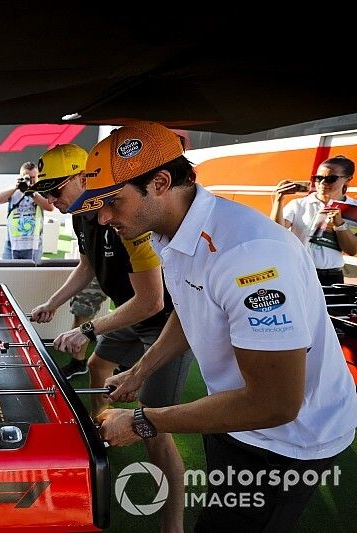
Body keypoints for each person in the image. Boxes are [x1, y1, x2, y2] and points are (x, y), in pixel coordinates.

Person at [77, 121, 357, 532]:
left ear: (160, 183)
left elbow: (275, 403)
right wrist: (139, 371)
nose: (103, 217)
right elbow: (192, 307)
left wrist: (142, 421)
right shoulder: (170, 232)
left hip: (286, 441)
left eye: (114, 202)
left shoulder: (249, 255)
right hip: (235, 415)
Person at [28, 143, 191, 532]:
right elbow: (87, 266)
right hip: (130, 313)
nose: (51, 199)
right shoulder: (81, 217)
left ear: (84, 179)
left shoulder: (125, 218)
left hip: (168, 323)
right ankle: (101, 435)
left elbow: (151, 302)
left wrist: (86, 328)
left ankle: (173, 526)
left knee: (153, 428)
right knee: (98, 365)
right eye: (45, 192)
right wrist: (52, 303)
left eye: (55, 189)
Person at [270, 155, 357, 285]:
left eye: (331, 179)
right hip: (299, 271)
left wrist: (340, 224)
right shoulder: (299, 204)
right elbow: (275, 233)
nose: (322, 183)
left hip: (331, 276)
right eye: (318, 178)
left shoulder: (353, 209)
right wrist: (279, 200)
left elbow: (351, 250)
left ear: (348, 179)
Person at [0, 161, 54, 261]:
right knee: (7, 269)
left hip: (33, 244)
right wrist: (16, 187)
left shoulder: (40, 192)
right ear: (20, 177)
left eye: (33, 177)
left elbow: (50, 207)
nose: (30, 180)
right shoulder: (14, 191)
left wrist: (32, 193)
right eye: (27, 177)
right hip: (12, 243)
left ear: (38, 177)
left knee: (31, 271)